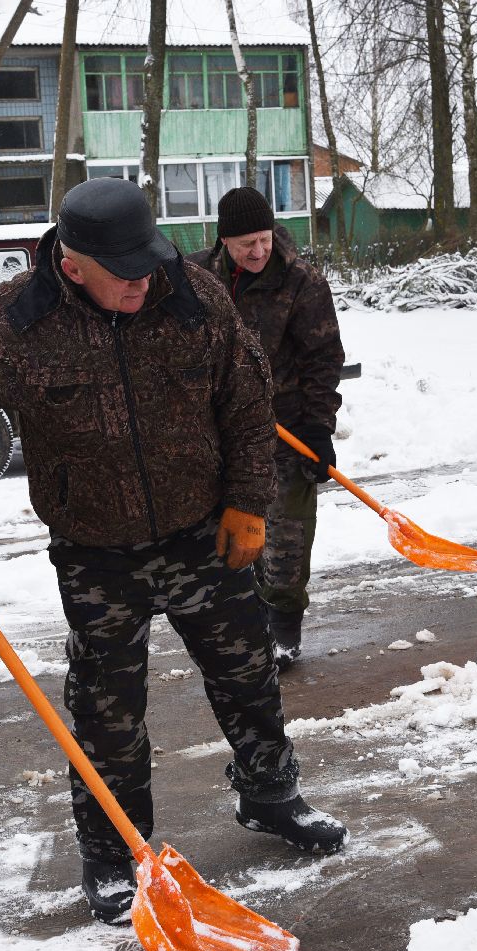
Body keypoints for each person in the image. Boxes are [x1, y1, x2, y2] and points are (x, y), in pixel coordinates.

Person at [0, 178, 347, 925]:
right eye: (125, 270)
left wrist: (248, 503)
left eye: (147, 262)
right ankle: (117, 855)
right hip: (94, 549)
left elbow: (248, 400)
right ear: (74, 264)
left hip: (199, 530)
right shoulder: (22, 318)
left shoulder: (192, 296)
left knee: (248, 674)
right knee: (108, 713)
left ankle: (272, 794)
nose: (143, 281)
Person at [188, 187, 344, 671]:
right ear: (224, 240)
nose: (258, 252)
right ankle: (243, 627)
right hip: (218, 435)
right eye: (245, 244)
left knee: (286, 536)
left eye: (264, 239)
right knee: (227, 536)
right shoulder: (195, 278)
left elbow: (323, 359)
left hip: (286, 430)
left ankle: (283, 629)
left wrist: (318, 430)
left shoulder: (301, 281)